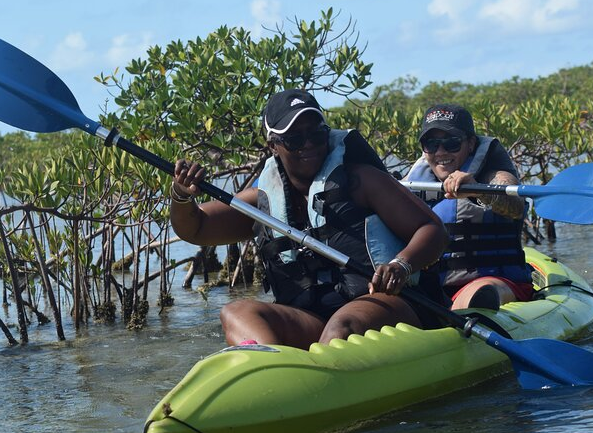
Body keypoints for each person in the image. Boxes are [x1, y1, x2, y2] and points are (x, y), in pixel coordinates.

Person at [170, 89, 448, 349]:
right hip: (314, 319)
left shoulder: (362, 181)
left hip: (387, 305)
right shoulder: (261, 201)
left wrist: (401, 265)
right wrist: (181, 195)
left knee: (341, 326)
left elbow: (432, 229)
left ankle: (317, 379)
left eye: (317, 134)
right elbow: (197, 228)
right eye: (294, 139)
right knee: (235, 312)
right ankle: (273, 371)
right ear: (273, 146)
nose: (309, 144)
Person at [404, 103, 533, 310]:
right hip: (435, 289)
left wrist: (479, 191)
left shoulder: (492, 172)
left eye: (452, 143)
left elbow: (515, 206)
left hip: (495, 283)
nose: (441, 151)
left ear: (471, 143)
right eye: (431, 143)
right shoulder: (411, 182)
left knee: (481, 291)